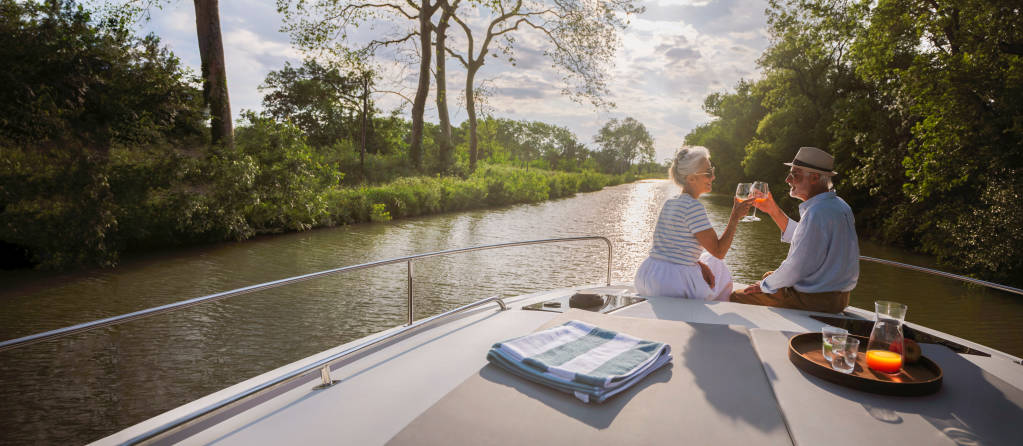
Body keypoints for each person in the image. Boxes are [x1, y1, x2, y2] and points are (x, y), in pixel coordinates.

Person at [730, 146, 859, 313]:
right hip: (838, 297)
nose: (787, 180)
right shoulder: (839, 206)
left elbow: (797, 267)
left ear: (814, 178)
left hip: (814, 300)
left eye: (794, 174)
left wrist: (763, 287)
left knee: (737, 297)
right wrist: (773, 210)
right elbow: (806, 239)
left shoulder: (817, 212)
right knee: (770, 276)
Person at [635, 146, 753, 301]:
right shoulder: (693, 206)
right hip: (673, 284)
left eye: (713, 171)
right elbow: (719, 251)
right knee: (718, 265)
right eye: (708, 173)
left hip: (649, 275)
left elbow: (672, 248)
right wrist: (734, 217)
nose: (713, 177)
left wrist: (699, 265)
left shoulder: (670, 202)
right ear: (691, 178)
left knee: (708, 261)